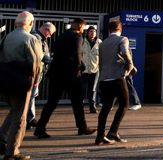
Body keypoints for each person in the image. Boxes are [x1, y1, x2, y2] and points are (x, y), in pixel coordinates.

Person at [34, 18, 96, 139]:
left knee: (51, 102)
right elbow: (77, 54)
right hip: (71, 75)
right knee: (77, 102)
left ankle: (40, 128)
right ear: (80, 26)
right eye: (83, 27)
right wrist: (79, 69)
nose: (83, 29)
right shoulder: (77, 36)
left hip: (56, 73)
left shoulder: (62, 36)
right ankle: (82, 128)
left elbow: (57, 52)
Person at [0, 11, 43, 160]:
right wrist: (36, 81)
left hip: (6, 81)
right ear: (30, 24)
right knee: (20, 118)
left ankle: (1, 139)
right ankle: (12, 152)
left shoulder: (8, 37)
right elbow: (36, 64)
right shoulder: (31, 38)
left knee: (14, 111)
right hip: (23, 82)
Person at [95, 20, 134, 145]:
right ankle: (113, 131)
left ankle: (100, 136)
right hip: (117, 78)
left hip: (104, 79)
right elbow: (124, 52)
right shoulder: (123, 39)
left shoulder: (102, 43)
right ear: (120, 29)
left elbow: (100, 63)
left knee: (106, 107)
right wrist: (130, 65)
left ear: (109, 30)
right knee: (124, 104)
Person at [26, 22, 55, 130]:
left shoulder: (40, 38)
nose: (50, 35)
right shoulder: (37, 38)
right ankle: (30, 119)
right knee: (31, 97)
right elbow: (40, 56)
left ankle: (29, 119)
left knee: (32, 97)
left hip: (36, 72)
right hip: (35, 73)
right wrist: (51, 60)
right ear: (46, 30)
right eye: (50, 33)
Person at [81, 26, 101, 114]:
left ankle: (92, 107)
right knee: (82, 89)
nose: (92, 33)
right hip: (83, 70)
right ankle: (79, 107)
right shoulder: (82, 41)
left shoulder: (99, 42)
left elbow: (102, 55)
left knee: (92, 90)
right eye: (90, 31)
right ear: (87, 33)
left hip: (95, 70)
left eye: (94, 31)